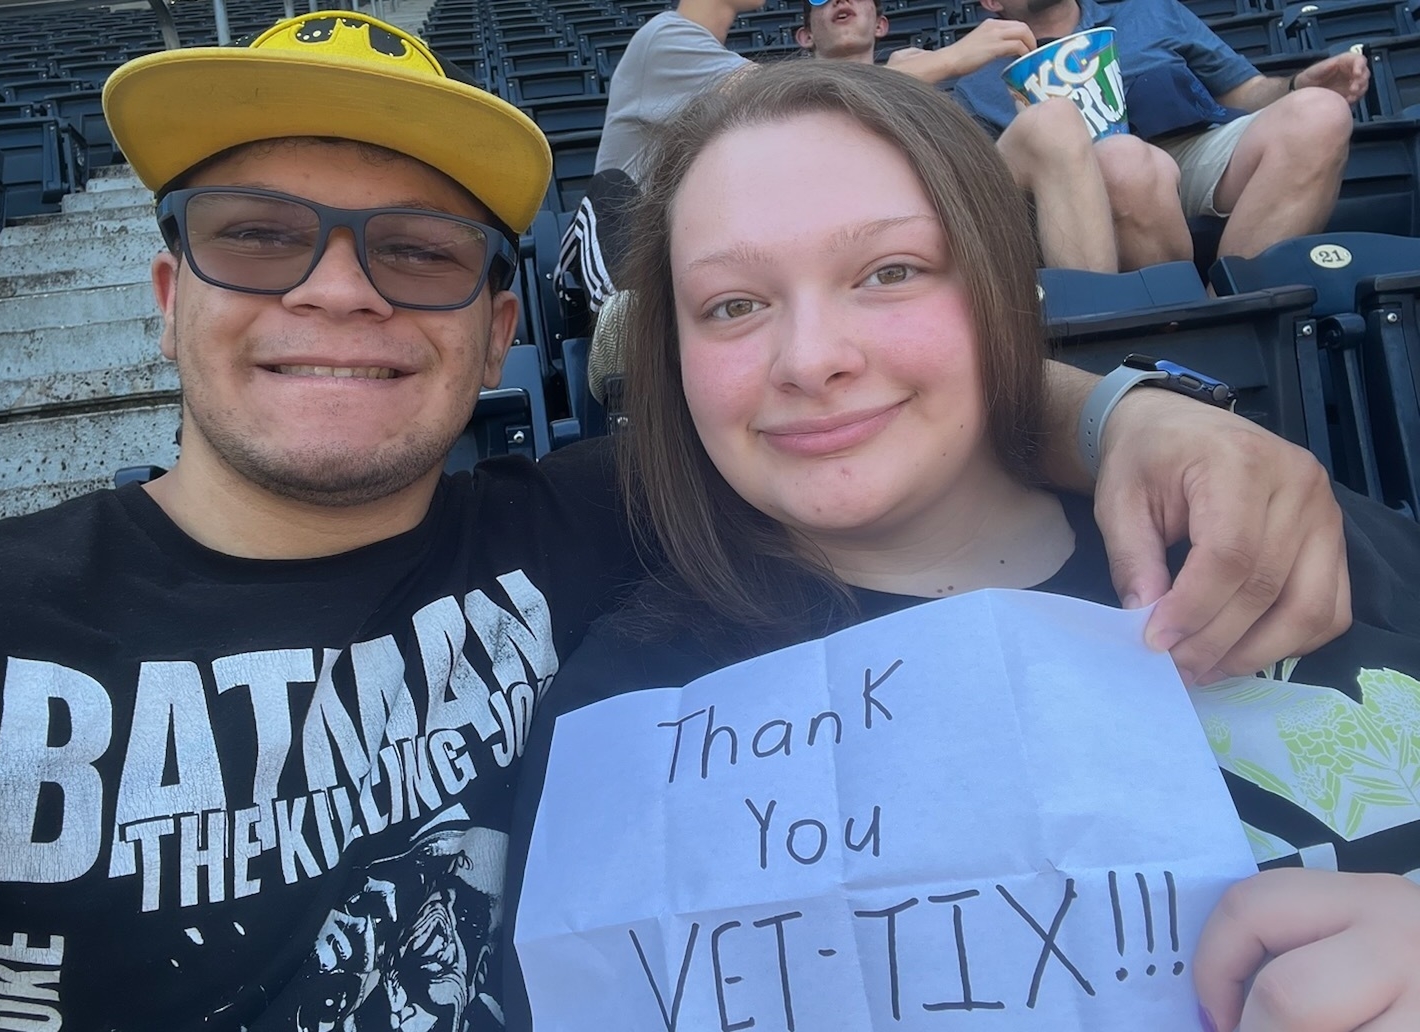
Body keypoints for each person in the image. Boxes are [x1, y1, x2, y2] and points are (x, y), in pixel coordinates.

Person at [0, 11, 1362, 1032]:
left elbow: (859, 403)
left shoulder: (593, 525)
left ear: (502, 330)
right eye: (259, 238)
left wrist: (1133, 413)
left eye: (419, 252)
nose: (338, 291)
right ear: (169, 296)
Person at [506, 60, 1419, 1032]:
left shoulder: (1266, 520)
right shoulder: (626, 723)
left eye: (889, 272)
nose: (810, 358)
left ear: (998, 286)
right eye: (732, 304)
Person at [954, 0, 1370, 267]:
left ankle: (1235, 306)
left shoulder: (1151, 11)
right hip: (1080, 196)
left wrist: (1296, 85)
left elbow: (1247, 91)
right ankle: (1169, 322)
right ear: (991, 2)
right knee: (1124, 160)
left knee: (1321, 112)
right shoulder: (972, 75)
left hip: (1189, 150)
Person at [798, 0, 1122, 271]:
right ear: (805, 35)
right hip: (846, 230)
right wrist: (949, 59)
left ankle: (1098, 308)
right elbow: (819, 127)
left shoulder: (918, 72)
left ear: (881, 25)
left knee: (1053, 121)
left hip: (943, 213)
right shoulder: (784, 95)